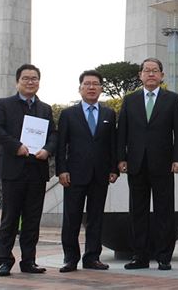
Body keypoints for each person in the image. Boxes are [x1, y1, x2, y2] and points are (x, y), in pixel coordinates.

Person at [117, 58, 178, 271]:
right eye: (147, 71)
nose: (151, 74)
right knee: (137, 211)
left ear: (162, 75)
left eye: (155, 71)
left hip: (163, 164)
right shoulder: (129, 100)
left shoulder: (172, 100)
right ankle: (140, 256)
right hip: (136, 164)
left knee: (164, 211)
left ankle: (164, 257)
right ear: (140, 75)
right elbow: (122, 132)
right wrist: (121, 158)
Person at [0, 64, 57, 277]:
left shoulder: (45, 108)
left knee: (32, 219)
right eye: (26, 78)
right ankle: (4, 261)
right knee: (10, 217)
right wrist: (16, 146)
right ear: (17, 81)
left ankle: (29, 261)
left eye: (34, 78)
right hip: (13, 170)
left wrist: (47, 149)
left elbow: (54, 135)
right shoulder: (4, 104)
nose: (30, 82)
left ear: (39, 81)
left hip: (37, 170)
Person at [56, 70, 119, 273]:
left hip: (100, 175)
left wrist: (113, 169)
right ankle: (70, 258)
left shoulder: (109, 114)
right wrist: (61, 170)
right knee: (71, 218)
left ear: (101, 88)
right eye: (87, 84)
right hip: (74, 175)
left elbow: (113, 144)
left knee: (96, 218)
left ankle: (92, 257)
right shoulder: (68, 114)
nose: (92, 87)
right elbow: (60, 146)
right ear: (80, 88)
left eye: (96, 84)